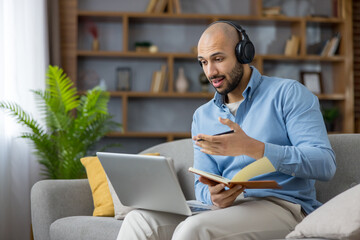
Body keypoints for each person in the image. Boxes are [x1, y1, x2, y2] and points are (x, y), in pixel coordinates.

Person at [116, 21, 336, 240]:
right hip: (226, 211)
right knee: (139, 220)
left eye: (218, 59)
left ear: (243, 54)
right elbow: (202, 184)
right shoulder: (203, 116)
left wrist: (257, 149)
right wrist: (213, 196)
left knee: (194, 229)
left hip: (282, 206)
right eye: (203, 62)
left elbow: (324, 163)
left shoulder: (288, 94)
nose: (210, 72)